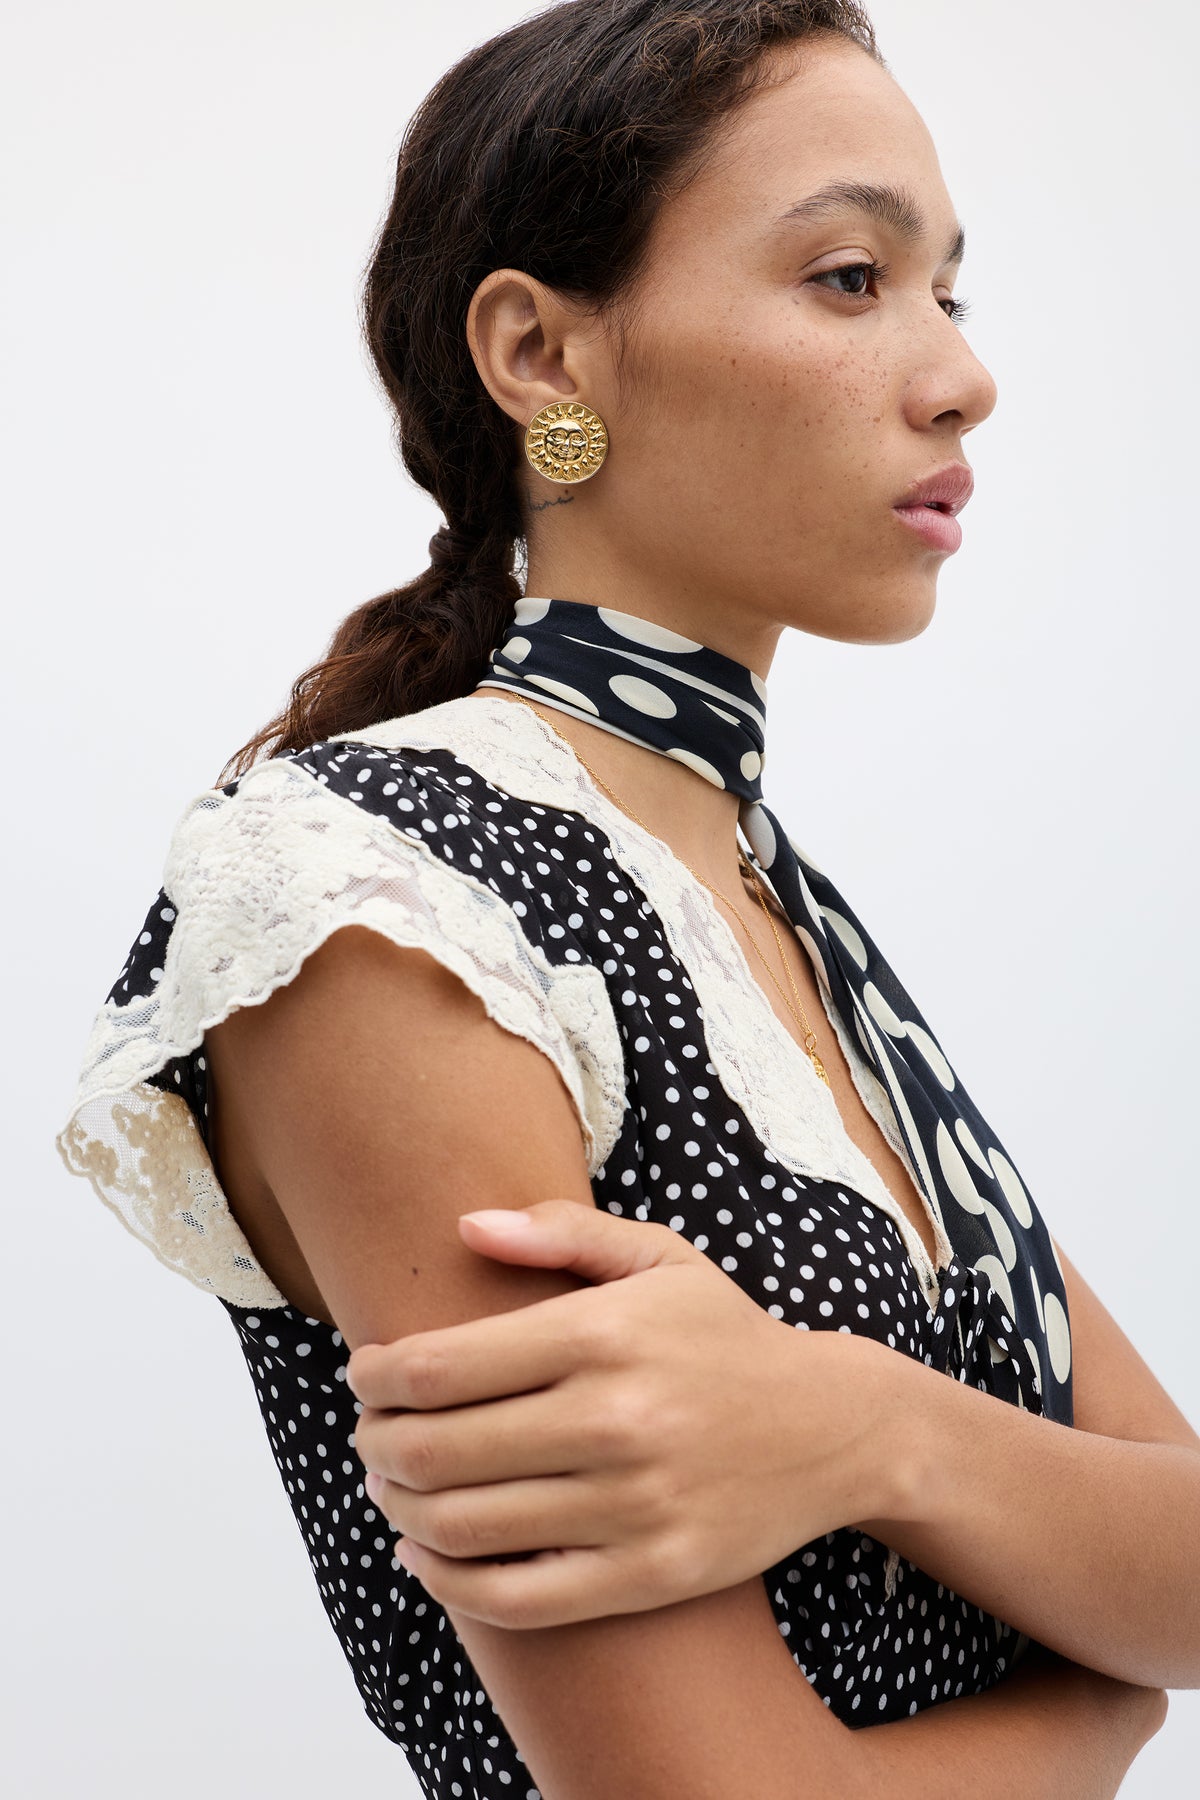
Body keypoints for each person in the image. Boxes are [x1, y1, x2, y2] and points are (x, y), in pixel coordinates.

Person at [54, 2, 1195, 1795]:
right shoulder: (376, 895)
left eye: (949, 293)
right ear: (540, 352)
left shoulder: (766, 899)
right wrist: (1099, 1708)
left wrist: (859, 1427)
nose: (963, 375)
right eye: (847, 276)